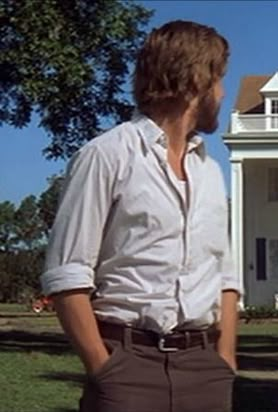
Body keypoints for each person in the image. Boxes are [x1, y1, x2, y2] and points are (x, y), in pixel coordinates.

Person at [41, 20, 242, 412]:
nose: (222, 94)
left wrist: (225, 358)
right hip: (127, 365)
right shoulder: (105, 156)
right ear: (196, 82)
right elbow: (66, 275)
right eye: (219, 81)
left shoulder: (210, 171)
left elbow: (226, 275)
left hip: (205, 369)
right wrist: (104, 367)